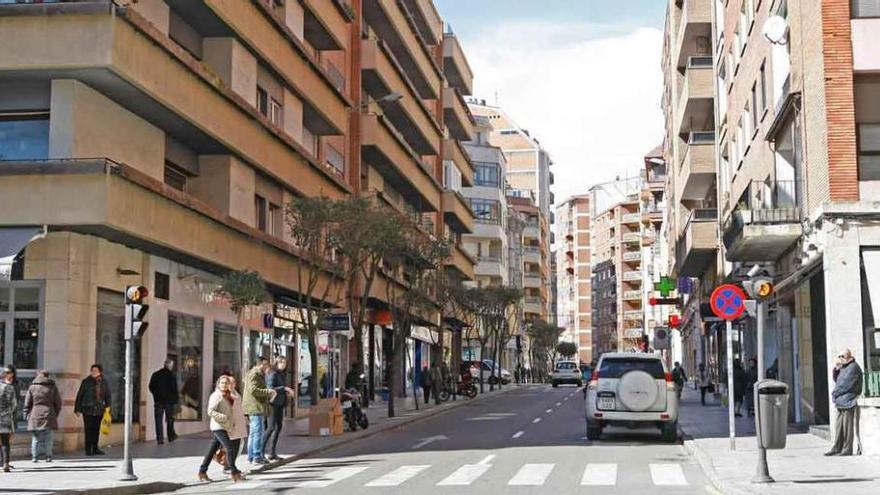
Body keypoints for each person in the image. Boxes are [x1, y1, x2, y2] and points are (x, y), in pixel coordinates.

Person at [198, 375, 244, 483]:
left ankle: (202, 471)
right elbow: (210, 411)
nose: (224, 385)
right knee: (229, 448)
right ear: (218, 384)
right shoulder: (216, 395)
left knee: (212, 449)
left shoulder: (228, 395)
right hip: (218, 426)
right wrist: (223, 417)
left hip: (226, 426)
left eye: (226, 383)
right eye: (222, 383)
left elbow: (236, 403)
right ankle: (234, 472)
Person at [826, 349, 863, 456]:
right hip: (841, 400)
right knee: (839, 426)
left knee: (847, 426)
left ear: (848, 356)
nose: (840, 359)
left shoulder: (853, 367)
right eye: (839, 357)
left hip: (849, 399)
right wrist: (836, 370)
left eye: (842, 356)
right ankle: (837, 447)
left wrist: (835, 393)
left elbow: (846, 384)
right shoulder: (844, 367)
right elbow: (837, 380)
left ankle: (847, 449)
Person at [242, 356, 276, 465]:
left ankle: (251, 456)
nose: (267, 367)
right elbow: (253, 390)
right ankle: (257, 456)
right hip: (255, 407)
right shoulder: (254, 374)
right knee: (258, 432)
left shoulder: (257, 374)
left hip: (256, 407)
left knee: (254, 433)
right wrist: (268, 391)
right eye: (265, 364)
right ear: (260, 364)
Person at [24, 370, 61, 463]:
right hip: (49, 413)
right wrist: (55, 414)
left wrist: (26, 415)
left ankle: (34, 457)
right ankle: (48, 456)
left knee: (35, 437)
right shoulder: (53, 387)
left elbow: (27, 403)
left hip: (35, 413)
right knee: (48, 437)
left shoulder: (32, 387)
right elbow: (58, 403)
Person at [74, 364, 111, 456]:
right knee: (88, 430)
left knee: (96, 429)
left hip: (99, 409)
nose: (93, 372)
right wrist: (77, 409)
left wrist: (108, 407)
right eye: (92, 370)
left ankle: (95, 448)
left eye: (95, 370)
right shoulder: (86, 381)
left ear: (100, 372)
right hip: (88, 409)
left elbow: (108, 395)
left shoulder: (104, 382)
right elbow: (80, 395)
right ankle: (88, 449)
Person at [263, 357, 294, 461]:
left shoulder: (281, 373)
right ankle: (259, 451)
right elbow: (270, 389)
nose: (283, 364)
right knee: (271, 427)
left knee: (278, 427)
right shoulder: (273, 373)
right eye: (281, 362)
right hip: (272, 403)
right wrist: (285, 388)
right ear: (276, 363)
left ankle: (272, 452)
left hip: (280, 403)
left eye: (285, 362)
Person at [148, 359, 179, 445]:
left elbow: (151, 386)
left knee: (158, 420)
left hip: (158, 401)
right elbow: (174, 389)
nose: (172, 367)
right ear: (169, 366)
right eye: (172, 365)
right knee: (170, 419)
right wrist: (176, 400)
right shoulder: (171, 376)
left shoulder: (156, 374)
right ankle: (171, 436)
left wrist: (156, 395)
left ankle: (160, 439)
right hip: (169, 401)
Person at [0, 367, 17, 472]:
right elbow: (14, 404)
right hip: (5, 418)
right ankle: (6, 463)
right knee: (5, 441)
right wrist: (8, 412)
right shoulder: (9, 387)